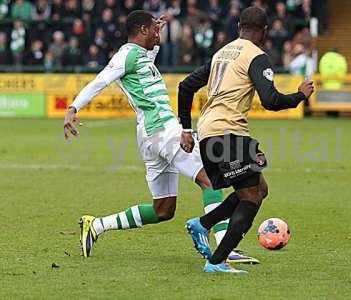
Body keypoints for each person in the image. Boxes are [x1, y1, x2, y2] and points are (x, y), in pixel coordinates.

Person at [63, 10, 257, 264]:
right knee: (211, 179)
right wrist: (73, 107)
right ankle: (225, 246)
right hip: (164, 131)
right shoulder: (126, 55)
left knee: (163, 209)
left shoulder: (142, 56)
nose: (159, 32)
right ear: (142, 30)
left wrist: (156, 32)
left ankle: (97, 225)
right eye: (154, 28)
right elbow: (101, 80)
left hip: (149, 137)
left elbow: (147, 53)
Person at [178, 6, 314, 273]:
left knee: (258, 189)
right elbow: (271, 101)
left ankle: (202, 224)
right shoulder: (256, 56)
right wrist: (300, 95)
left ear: (239, 26)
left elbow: (185, 86)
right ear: (263, 31)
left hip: (209, 131)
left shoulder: (222, 53)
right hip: (227, 132)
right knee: (251, 198)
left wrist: (186, 128)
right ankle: (216, 262)